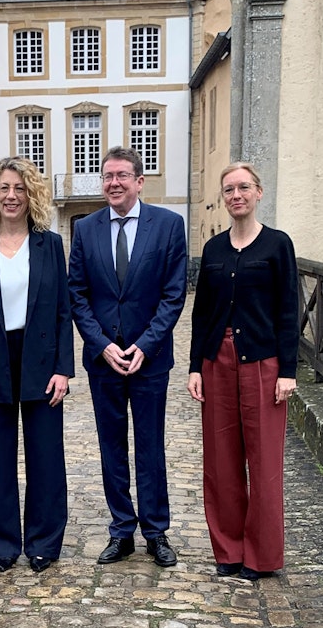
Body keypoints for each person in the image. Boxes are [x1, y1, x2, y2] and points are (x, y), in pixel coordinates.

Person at [68, 146, 188, 567]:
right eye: (107, 176)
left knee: (150, 446)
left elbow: (174, 296)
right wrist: (102, 346)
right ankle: (122, 531)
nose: (113, 183)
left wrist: (145, 345)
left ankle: (156, 532)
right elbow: (77, 295)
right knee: (111, 447)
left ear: (139, 181)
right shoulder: (85, 229)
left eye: (121, 175)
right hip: (105, 361)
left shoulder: (169, 226)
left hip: (149, 360)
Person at [0, 156, 74, 574]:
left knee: (46, 456)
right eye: (4, 188)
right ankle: (2, 544)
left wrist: (64, 368)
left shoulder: (49, 243)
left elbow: (63, 310)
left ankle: (44, 542)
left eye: (19, 188)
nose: (11, 196)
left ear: (31, 195)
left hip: (41, 359)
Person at [186, 163, 298, 581]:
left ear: (258, 192)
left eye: (244, 187)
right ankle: (229, 550)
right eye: (229, 189)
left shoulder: (276, 245)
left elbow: (289, 309)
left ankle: (261, 556)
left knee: (264, 460)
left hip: (264, 363)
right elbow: (201, 313)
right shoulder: (213, 250)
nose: (237, 195)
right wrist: (196, 365)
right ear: (223, 196)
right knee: (221, 460)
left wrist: (288, 370)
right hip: (218, 359)